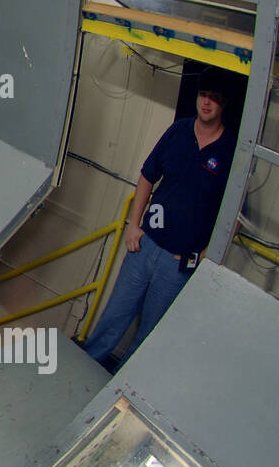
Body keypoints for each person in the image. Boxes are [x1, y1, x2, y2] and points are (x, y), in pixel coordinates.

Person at [83, 67, 237, 366]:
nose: (206, 102)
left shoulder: (230, 152)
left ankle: (122, 390)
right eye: (203, 95)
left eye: (214, 98)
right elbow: (147, 176)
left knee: (149, 338)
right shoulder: (178, 131)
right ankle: (83, 372)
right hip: (145, 246)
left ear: (224, 103)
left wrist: (202, 257)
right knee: (113, 318)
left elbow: (234, 219)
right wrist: (133, 226)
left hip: (178, 265)